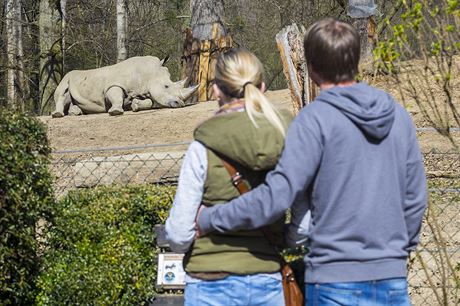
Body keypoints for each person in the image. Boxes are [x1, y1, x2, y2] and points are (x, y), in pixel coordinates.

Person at [197, 18, 427, 306]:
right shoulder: (398, 117)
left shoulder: (314, 120)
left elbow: (277, 196)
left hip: (334, 279)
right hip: (392, 280)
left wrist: (210, 218)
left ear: (312, 68)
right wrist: (395, 253)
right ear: (356, 60)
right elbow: (415, 199)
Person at [165, 48, 305, 306]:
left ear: (217, 90)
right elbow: (304, 224)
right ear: (262, 87)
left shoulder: (201, 148)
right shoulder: (288, 139)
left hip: (208, 281)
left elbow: (178, 235)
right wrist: (281, 238)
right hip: (268, 279)